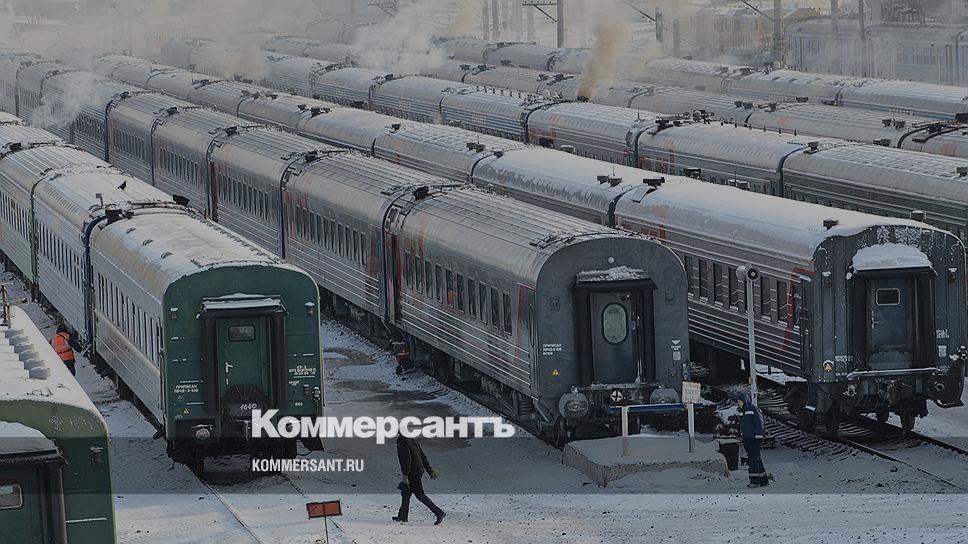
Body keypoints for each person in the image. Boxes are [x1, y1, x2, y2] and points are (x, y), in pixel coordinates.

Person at [393, 435, 445, 525]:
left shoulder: (403, 443)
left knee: (419, 494)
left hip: (412, 472)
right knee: (406, 493)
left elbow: (407, 460)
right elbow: (423, 457)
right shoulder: (413, 441)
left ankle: (439, 512)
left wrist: (405, 476)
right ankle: (402, 516)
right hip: (418, 470)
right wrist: (430, 470)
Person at [737, 391, 772, 488]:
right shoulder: (741, 411)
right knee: (756, 458)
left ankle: (754, 481)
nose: (739, 403)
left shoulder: (753, 409)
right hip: (747, 438)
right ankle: (763, 479)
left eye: (740, 401)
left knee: (752, 459)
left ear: (745, 401)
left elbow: (759, 423)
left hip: (754, 438)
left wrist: (759, 436)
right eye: (738, 402)